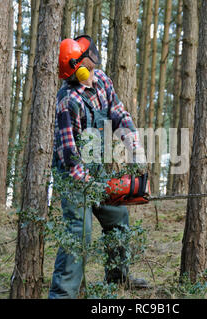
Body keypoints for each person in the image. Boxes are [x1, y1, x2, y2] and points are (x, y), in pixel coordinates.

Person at [48, 35, 148, 299]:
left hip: (97, 168)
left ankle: (117, 280)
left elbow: (117, 112)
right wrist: (90, 185)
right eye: (87, 62)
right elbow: (70, 156)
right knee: (79, 234)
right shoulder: (67, 102)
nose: (93, 59)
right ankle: (63, 295)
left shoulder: (102, 79)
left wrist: (134, 146)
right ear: (77, 68)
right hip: (74, 175)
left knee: (117, 216)